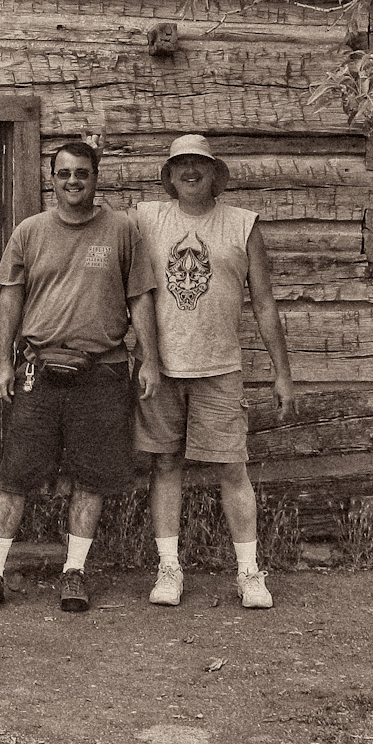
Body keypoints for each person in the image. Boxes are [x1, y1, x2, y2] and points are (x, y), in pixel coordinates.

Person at [0, 141, 161, 615]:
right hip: (38, 368)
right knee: (15, 473)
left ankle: (74, 571)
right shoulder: (30, 232)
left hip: (102, 371)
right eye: (64, 174)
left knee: (90, 476)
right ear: (51, 179)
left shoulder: (122, 231)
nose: (73, 182)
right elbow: (9, 299)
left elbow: (139, 299)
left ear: (97, 177)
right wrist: (2, 362)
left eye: (82, 174)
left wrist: (150, 359)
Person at [133, 133, 295, 610]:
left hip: (220, 368)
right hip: (160, 368)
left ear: (214, 174)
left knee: (231, 467)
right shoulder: (146, 218)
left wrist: (282, 373)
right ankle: (169, 568)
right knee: (165, 464)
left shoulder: (242, 224)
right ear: (168, 175)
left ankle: (248, 572)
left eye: (199, 164)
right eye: (180, 164)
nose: (190, 171)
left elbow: (264, 304)